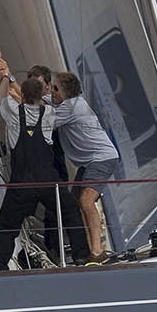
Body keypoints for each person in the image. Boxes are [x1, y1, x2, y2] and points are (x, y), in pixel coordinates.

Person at [0, 66, 89, 269]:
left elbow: (2, 95)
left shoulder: (12, 112)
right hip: (48, 181)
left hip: (21, 183)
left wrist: (5, 75)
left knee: (6, 227)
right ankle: (81, 256)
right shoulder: (49, 113)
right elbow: (40, 102)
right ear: (41, 94)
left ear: (23, 96)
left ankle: (0, 267)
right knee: (70, 212)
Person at [50, 71, 120, 261]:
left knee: (86, 200)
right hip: (90, 161)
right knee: (73, 205)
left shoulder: (71, 107)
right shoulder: (68, 103)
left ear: (66, 92)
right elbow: (44, 102)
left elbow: (45, 122)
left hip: (101, 158)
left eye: (55, 88)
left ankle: (97, 251)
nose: (51, 91)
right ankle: (86, 251)